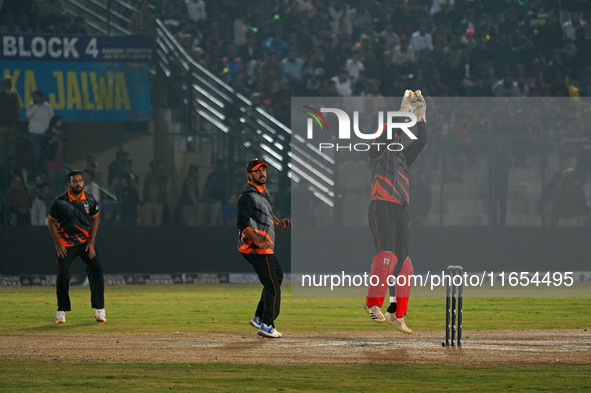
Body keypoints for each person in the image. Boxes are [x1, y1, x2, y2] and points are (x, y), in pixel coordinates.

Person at [364, 90, 427, 335]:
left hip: (401, 209)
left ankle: (396, 313)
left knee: (404, 265)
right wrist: (403, 115)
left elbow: (421, 142)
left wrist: (420, 116)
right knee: (386, 258)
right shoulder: (376, 152)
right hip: (381, 206)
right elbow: (390, 133)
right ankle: (371, 304)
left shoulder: (401, 156)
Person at [237, 158, 292, 338]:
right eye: (257, 171)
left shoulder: (263, 192)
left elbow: (266, 212)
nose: (262, 174)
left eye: (264, 170)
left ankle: (260, 317)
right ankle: (267, 325)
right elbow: (242, 223)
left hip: (263, 246)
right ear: (249, 174)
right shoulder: (247, 196)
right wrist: (259, 241)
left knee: (277, 277)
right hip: (255, 246)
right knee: (273, 286)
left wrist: (278, 222)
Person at [48, 170, 106, 324]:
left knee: (97, 271)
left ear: (83, 182)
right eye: (74, 181)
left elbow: (95, 221)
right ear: (69, 183)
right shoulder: (60, 201)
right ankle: (61, 311)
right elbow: (51, 222)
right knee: (63, 276)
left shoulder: (90, 199)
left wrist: (91, 243)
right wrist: (58, 243)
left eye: (80, 181)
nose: (78, 183)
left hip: (86, 243)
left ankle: (100, 310)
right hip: (66, 244)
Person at [25, 90, 54, 175]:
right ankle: (34, 172)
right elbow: (28, 114)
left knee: (43, 154)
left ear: (40, 97)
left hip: (44, 134)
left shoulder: (48, 107)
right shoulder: (30, 105)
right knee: (35, 154)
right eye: (33, 97)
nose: (34, 98)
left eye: (36, 97)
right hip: (34, 134)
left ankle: (41, 172)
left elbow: (51, 118)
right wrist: (36, 106)